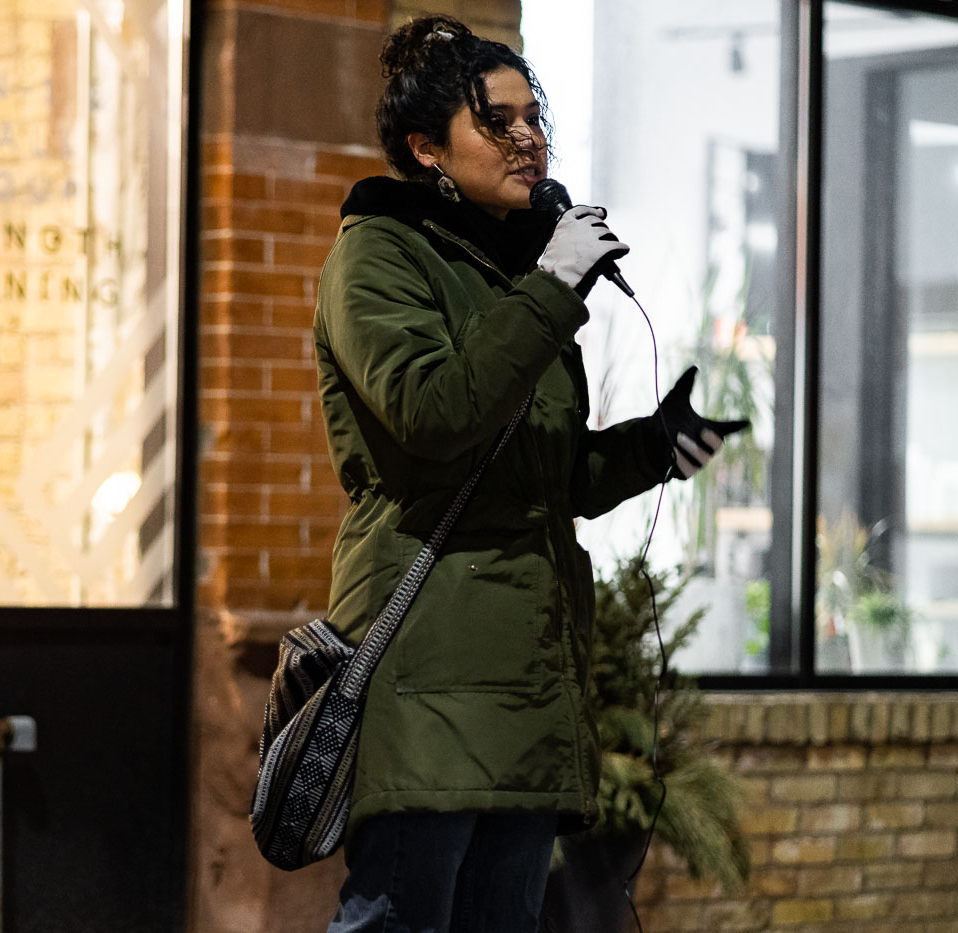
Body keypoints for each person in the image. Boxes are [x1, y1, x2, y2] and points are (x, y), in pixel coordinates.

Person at [313, 16, 748, 933]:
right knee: (399, 918)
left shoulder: (517, 274)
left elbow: (548, 476)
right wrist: (550, 287)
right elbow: (434, 413)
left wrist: (651, 448)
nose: (527, 139)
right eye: (495, 121)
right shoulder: (381, 252)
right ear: (427, 149)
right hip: (429, 666)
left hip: (527, 675)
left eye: (533, 117)